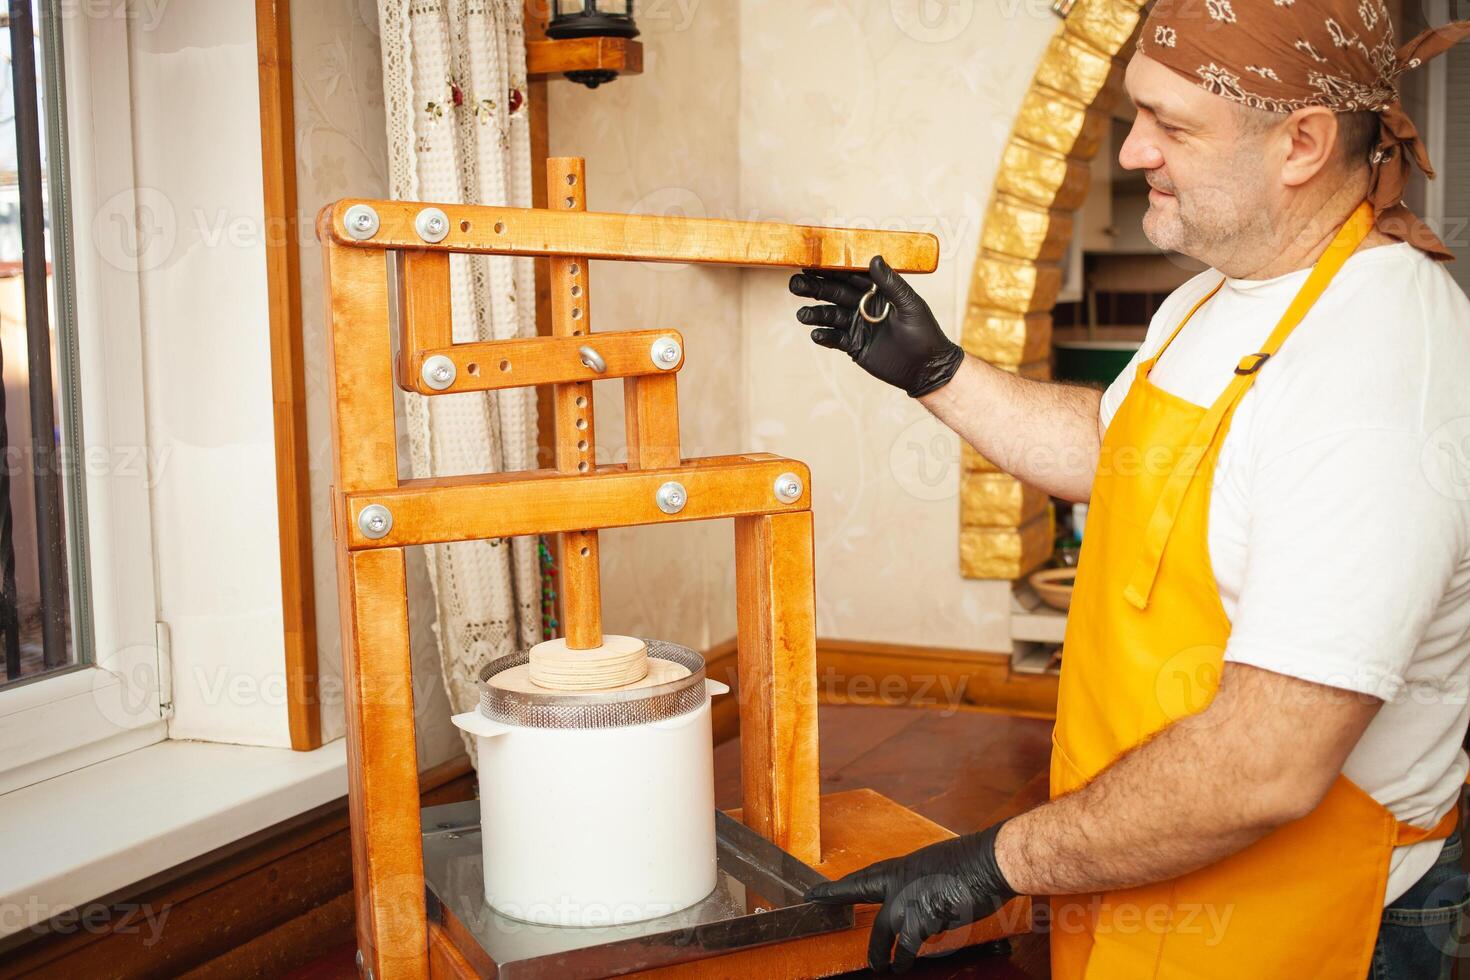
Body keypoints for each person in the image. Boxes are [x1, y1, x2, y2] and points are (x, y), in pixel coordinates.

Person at [790, 1, 1470, 976]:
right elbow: (1127, 455)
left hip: (1318, 914)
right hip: (1147, 863)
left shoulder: (1380, 367)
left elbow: (1264, 767)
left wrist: (998, 860)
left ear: (1302, 144)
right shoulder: (1210, 296)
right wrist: (936, 369)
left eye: (1174, 126)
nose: (1133, 151)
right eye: (1135, 114)